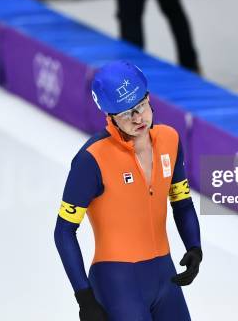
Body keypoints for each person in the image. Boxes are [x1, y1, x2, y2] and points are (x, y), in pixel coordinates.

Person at [54, 60, 202, 320]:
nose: (138, 119)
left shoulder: (170, 140)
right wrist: (84, 299)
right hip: (117, 283)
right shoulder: (92, 159)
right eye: (125, 114)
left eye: (141, 107)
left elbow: (182, 201)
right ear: (109, 116)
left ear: (148, 98)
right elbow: (63, 231)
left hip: (165, 277)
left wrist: (194, 247)